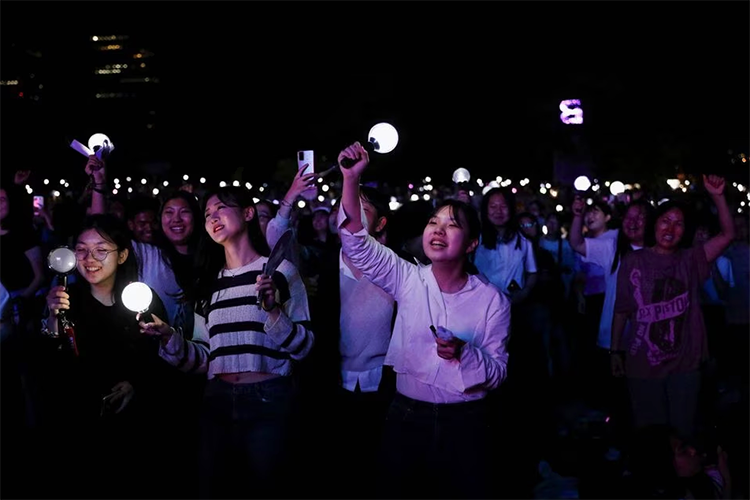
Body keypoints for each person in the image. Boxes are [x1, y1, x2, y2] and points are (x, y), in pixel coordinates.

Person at [337, 141, 510, 499]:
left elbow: (497, 373)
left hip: (466, 421)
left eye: (452, 224)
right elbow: (355, 242)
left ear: (472, 244)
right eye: (434, 222)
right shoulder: (408, 278)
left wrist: (465, 352)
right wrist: (351, 180)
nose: (438, 229)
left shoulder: (493, 300)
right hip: (406, 415)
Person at [138, 186, 314, 499]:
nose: (212, 217)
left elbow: (304, 347)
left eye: (221, 208)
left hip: (269, 401)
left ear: (247, 213)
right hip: (216, 400)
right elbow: (205, 357)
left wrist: (273, 311)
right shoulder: (207, 284)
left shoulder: (281, 273)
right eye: (206, 214)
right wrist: (170, 338)